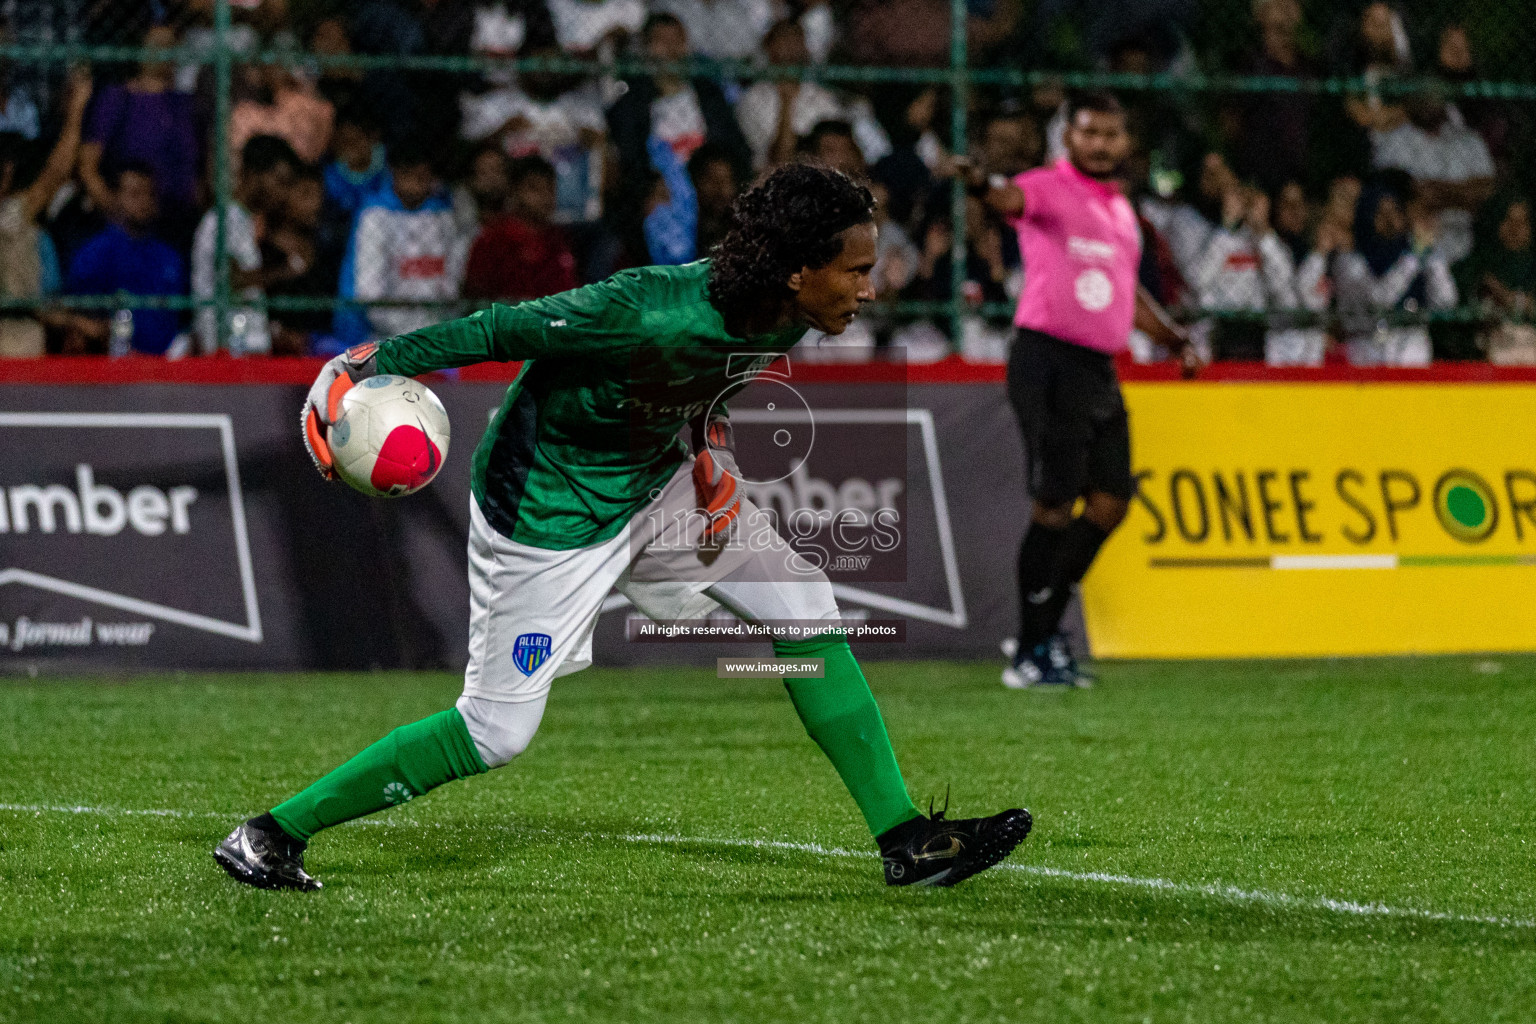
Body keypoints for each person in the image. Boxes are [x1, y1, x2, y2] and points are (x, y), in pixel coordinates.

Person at [213, 162, 1032, 893]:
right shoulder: (641, 308)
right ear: (797, 270)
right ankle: (271, 834)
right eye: (856, 270)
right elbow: (499, 331)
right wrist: (364, 366)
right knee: (494, 733)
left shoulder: (786, 312)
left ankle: (906, 841)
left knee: (803, 604)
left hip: (655, 487)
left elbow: (701, 386)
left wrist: (709, 459)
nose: (870, 286)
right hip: (549, 516)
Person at [975, 91, 1199, 687]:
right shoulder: (1046, 186)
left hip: (1099, 368)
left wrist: (1172, 336)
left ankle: (1043, 629)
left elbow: (1128, 294)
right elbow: (1006, 199)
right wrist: (982, 183)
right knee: (1053, 506)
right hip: (1045, 360)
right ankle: (1029, 649)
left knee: (1111, 501)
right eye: (1089, 133)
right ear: (1067, 138)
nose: (1101, 144)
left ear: (1125, 143)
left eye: (1111, 135)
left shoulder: (1121, 209)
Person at [78, 25, 202, 249]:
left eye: (169, 46)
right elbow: (88, 166)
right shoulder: (117, 99)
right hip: (128, 225)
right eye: (156, 46)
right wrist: (116, 211)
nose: (163, 52)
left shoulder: (183, 103)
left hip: (178, 222)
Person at [336, 137, 466, 347]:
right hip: (380, 335)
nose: (415, 185)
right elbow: (369, 293)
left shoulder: (443, 217)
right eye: (408, 175)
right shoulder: (375, 216)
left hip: (436, 332)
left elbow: (451, 281)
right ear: (394, 173)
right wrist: (409, 335)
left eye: (422, 177)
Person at [0, 71, 90, 357]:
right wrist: (76, 112)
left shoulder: (11, 213)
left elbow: (53, 176)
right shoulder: (10, 215)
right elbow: (55, 174)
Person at [191, 135, 302, 354]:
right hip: (225, 350)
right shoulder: (221, 219)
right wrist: (287, 270)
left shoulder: (243, 221)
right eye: (279, 181)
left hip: (245, 347)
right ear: (254, 175)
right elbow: (232, 280)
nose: (283, 194)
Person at [65, 162, 187, 357]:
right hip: (114, 369)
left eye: (150, 194)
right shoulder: (95, 253)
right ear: (115, 197)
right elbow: (76, 317)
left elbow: (181, 319)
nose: (144, 202)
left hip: (167, 369)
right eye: (135, 194)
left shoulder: (169, 256)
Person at [1334, 181, 1456, 366]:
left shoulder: (1417, 252)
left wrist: (1432, 257)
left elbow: (1447, 301)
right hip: (1367, 352)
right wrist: (1414, 257)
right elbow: (1380, 300)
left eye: (1395, 212)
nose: (1390, 220)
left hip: (1412, 349)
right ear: (1367, 216)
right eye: (1381, 213)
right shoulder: (1350, 260)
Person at [463, 154, 578, 301]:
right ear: (515, 192)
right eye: (534, 188)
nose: (545, 197)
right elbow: (476, 297)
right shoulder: (494, 240)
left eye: (550, 188)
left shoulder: (557, 239)